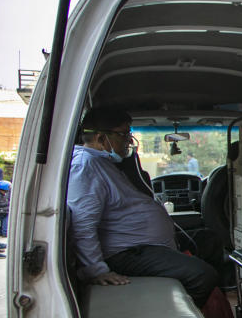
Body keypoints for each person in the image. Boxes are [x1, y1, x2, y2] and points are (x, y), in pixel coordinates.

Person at [68, 108, 217, 306]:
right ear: (101, 138)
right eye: (123, 134)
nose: (129, 141)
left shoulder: (105, 164)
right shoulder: (85, 166)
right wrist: (96, 270)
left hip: (145, 247)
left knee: (210, 239)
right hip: (128, 253)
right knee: (202, 275)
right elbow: (82, 224)